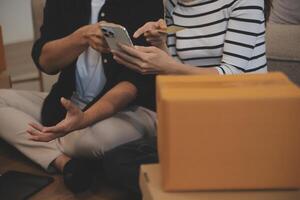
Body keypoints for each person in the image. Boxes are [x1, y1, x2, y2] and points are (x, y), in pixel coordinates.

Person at [103, 0, 273, 199]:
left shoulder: (246, 2)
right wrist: (160, 45)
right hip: (201, 124)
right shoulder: (174, 4)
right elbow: (177, 78)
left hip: (244, 123)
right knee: (117, 162)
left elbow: (231, 75)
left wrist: (168, 66)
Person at [0, 0, 163, 192]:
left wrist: (84, 119)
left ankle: (51, 147)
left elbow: (133, 83)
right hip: (70, 102)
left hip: (127, 109)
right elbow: (45, 62)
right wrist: (81, 36)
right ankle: (64, 162)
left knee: (91, 141)